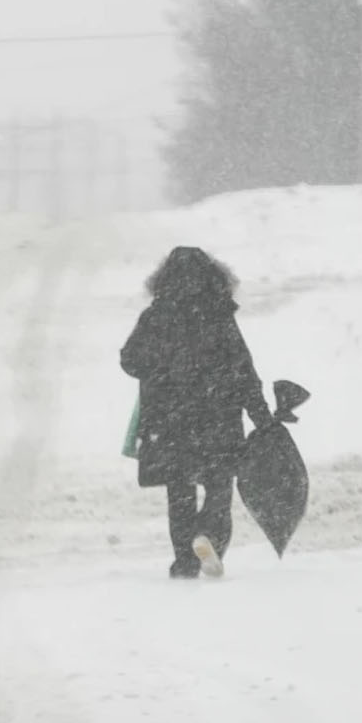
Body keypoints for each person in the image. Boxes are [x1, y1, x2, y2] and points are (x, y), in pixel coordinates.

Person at [119, 247, 272, 579]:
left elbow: (129, 359)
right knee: (219, 485)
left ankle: (184, 561)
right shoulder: (219, 315)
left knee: (180, 491)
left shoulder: (155, 316)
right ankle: (209, 535)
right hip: (218, 416)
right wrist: (261, 416)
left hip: (170, 419)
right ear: (212, 276)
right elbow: (243, 369)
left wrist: (161, 371)